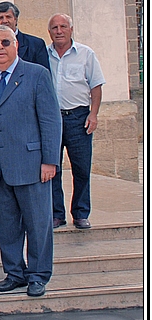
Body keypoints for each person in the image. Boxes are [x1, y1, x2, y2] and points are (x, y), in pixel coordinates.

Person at [0, 25, 61, 297]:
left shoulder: (37, 75)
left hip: (32, 164)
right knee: (6, 224)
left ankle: (38, 274)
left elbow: (50, 119)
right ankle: (14, 272)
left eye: (4, 42)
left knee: (38, 224)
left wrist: (50, 160)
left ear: (16, 45)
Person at [46, 13, 105, 230]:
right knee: (52, 168)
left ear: (71, 29)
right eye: (54, 27)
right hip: (51, 118)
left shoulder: (86, 54)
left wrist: (93, 114)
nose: (59, 31)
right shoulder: (44, 55)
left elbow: (96, 86)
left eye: (63, 26)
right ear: (49, 31)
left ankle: (80, 213)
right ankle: (56, 214)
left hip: (79, 118)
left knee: (81, 167)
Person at [0, 1, 50, 70]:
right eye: (0, 18)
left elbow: (43, 75)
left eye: (8, 17)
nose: (5, 21)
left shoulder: (35, 44)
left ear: (15, 19)